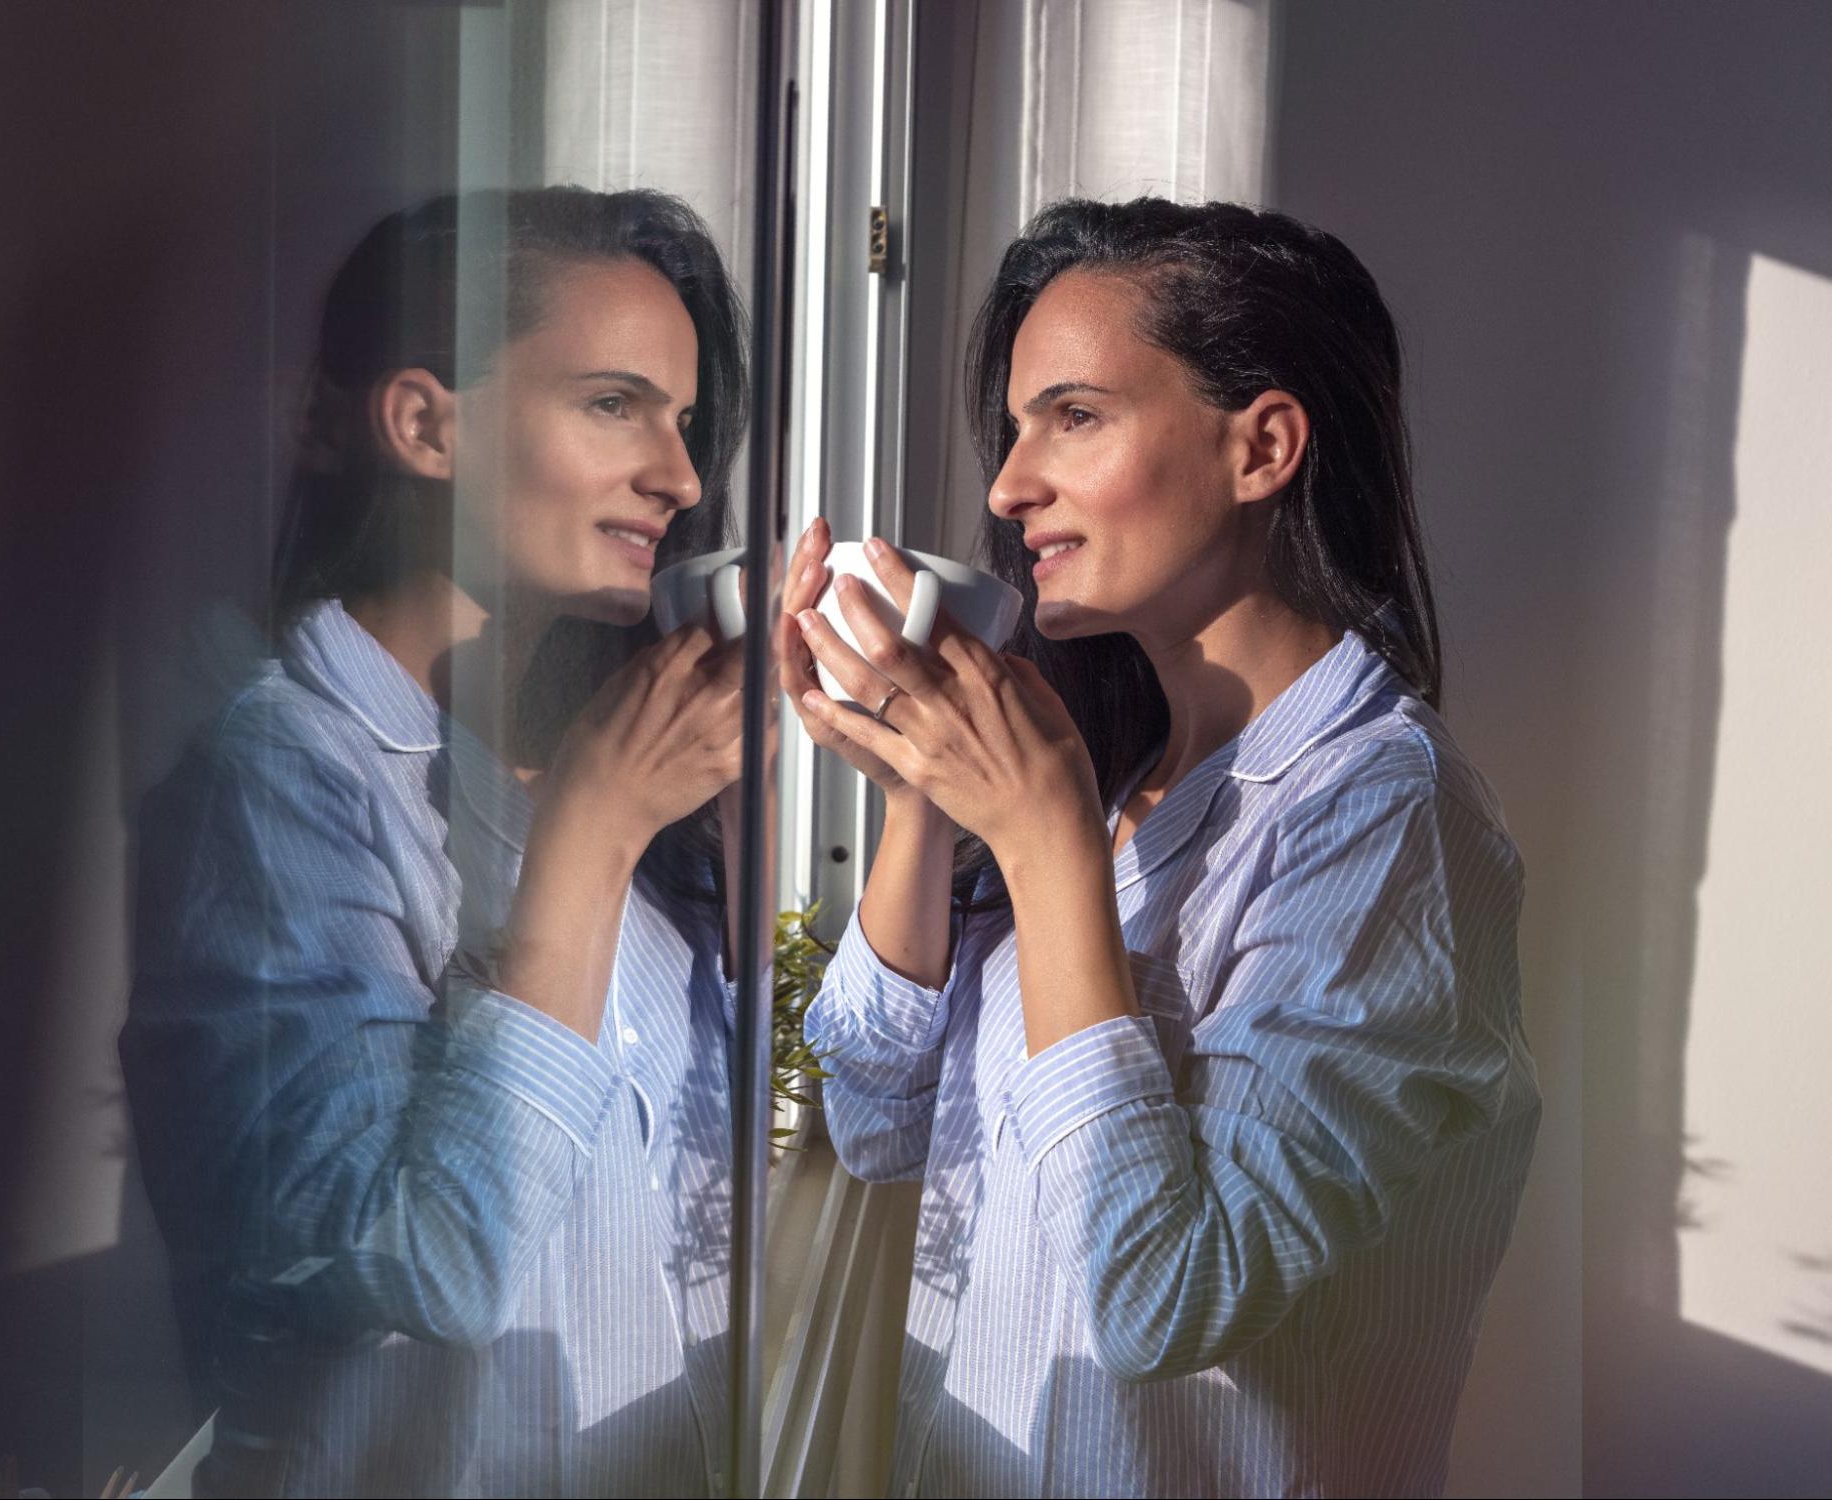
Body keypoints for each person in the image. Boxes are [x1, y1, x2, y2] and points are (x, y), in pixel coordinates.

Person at [780, 198, 1541, 1497]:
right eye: (1014, 429)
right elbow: (875, 1123)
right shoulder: (1117, 775)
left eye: (1073, 417)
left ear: (1264, 448)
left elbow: (1166, 1299)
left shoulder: (1378, 814)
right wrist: (926, 791)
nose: (1011, 487)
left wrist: (1043, 842)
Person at [120, 187, 750, 1498]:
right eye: (613, 403)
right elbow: (413, 1267)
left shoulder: (575, 784)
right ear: (422, 424)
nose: (680, 478)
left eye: (683, 423)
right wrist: (590, 843)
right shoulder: (281, 778)